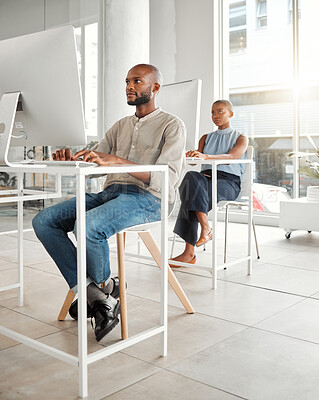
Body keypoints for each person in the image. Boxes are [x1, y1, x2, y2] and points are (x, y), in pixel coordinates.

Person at [32, 64, 186, 342]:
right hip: (110, 193)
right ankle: (103, 293)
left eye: (137, 81)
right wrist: (75, 159)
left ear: (155, 88)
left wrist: (118, 161)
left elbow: (168, 180)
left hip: (149, 199)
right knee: (44, 221)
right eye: (127, 81)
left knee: (88, 225)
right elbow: (99, 162)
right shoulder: (120, 126)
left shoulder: (172, 125)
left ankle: (95, 297)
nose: (129, 86)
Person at [169, 99, 247, 267]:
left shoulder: (240, 137)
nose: (215, 115)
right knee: (191, 177)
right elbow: (192, 164)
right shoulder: (206, 137)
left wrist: (206, 156)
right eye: (212, 112)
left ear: (230, 114)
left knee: (191, 194)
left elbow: (232, 156)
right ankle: (205, 227)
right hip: (205, 178)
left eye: (220, 111)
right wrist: (193, 155)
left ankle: (189, 253)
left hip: (228, 182)